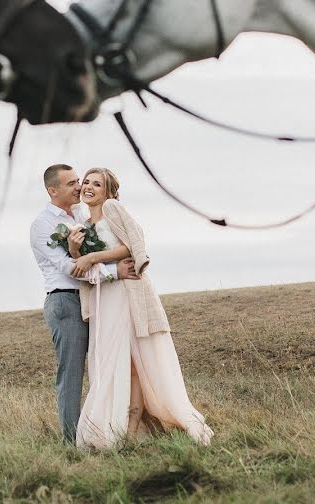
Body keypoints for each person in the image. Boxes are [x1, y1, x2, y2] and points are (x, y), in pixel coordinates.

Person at [71, 168, 213, 449]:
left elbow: (132, 245)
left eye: (96, 184)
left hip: (125, 294)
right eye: (86, 182)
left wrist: (93, 256)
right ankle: (115, 426)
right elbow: (80, 270)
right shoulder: (84, 225)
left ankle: (132, 427)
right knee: (111, 361)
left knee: (133, 361)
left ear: (109, 191)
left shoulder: (112, 208)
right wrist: (76, 252)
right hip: (103, 299)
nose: (88, 187)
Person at [30, 164, 140, 444]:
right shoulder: (42, 225)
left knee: (102, 364)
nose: (79, 187)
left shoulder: (82, 213)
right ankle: (72, 441)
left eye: (78, 181)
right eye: (71, 184)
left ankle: (105, 429)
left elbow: (96, 249)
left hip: (95, 298)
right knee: (72, 372)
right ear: (52, 191)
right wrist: (115, 271)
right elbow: (71, 268)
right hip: (65, 300)